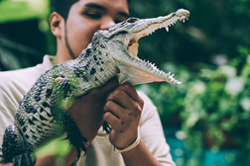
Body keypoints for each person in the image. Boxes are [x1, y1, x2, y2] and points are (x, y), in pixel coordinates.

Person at [0, 0, 176, 165]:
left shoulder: (139, 106)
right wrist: (77, 131)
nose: (110, 25)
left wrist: (131, 142)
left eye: (120, 20)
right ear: (57, 24)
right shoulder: (6, 87)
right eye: (92, 14)